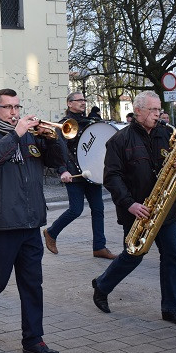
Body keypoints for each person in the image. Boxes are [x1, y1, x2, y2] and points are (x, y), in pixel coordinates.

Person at [0, 89, 64, 353]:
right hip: (3, 222)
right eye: (8, 107)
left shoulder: (31, 134)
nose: (14, 112)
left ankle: (33, 339)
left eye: (17, 107)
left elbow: (56, 162)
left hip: (31, 221)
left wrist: (54, 139)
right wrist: (16, 133)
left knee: (33, 283)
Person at [91, 91, 176, 327]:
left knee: (172, 257)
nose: (158, 115)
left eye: (159, 110)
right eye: (153, 110)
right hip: (137, 209)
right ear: (138, 112)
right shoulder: (119, 140)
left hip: (163, 208)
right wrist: (130, 204)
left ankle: (171, 308)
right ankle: (103, 286)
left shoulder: (166, 133)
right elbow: (112, 177)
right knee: (134, 254)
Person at [43, 92, 116, 259]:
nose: (83, 102)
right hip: (73, 172)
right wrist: (63, 170)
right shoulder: (65, 125)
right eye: (79, 100)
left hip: (91, 172)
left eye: (84, 100)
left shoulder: (90, 122)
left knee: (98, 209)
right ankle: (51, 232)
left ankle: (99, 247)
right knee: (76, 209)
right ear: (69, 103)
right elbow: (58, 150)